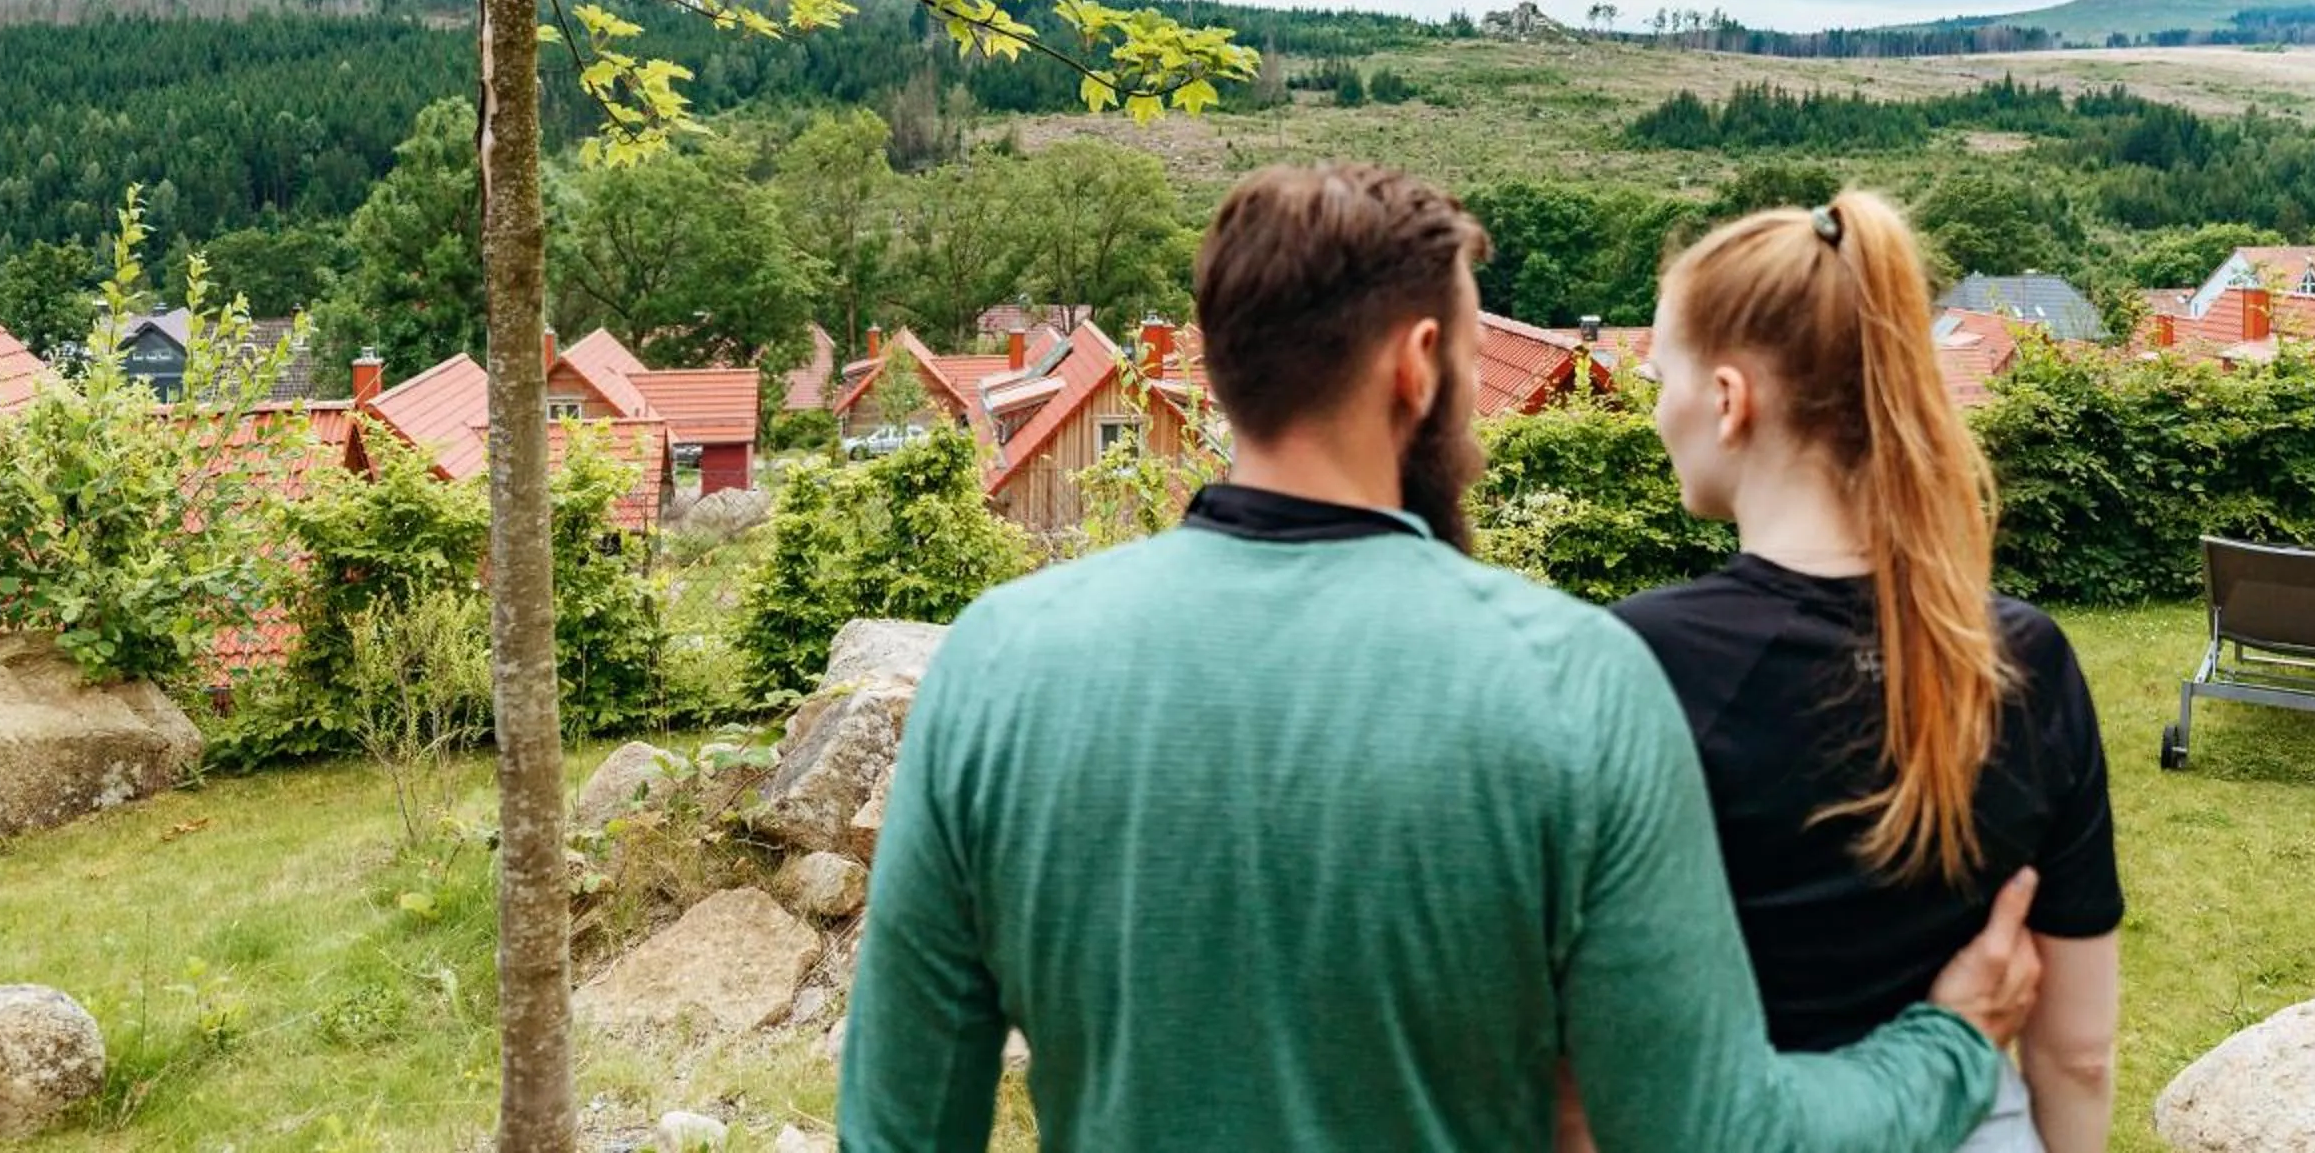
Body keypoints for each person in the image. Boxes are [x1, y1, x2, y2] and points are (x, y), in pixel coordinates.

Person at [839, 162, 2043, 1153]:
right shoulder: (1577, 682)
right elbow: (1715, 1128)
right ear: (1417, 367)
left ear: (1219, 365)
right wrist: (1947, 1041)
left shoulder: (996, 663)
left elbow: (898, 1130)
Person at [1579, 192, 2123, 1153]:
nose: (1655, 407)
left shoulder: (1642, 661)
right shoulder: (2024, 660)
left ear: (1729, 400)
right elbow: (2077, 1053)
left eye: (1661, 376)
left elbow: (1592, 1059)